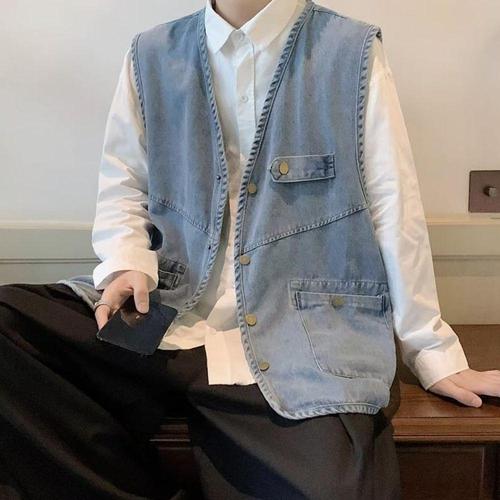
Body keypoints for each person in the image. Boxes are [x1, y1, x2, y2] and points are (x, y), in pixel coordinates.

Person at [1, 0, 499, 499]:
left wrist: (431, 351)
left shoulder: (350, 52)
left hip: (299, 340)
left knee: (337, 489)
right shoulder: (150, 54)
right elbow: (125, 182)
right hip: (166, 319)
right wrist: (127, 263)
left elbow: (395, 206)